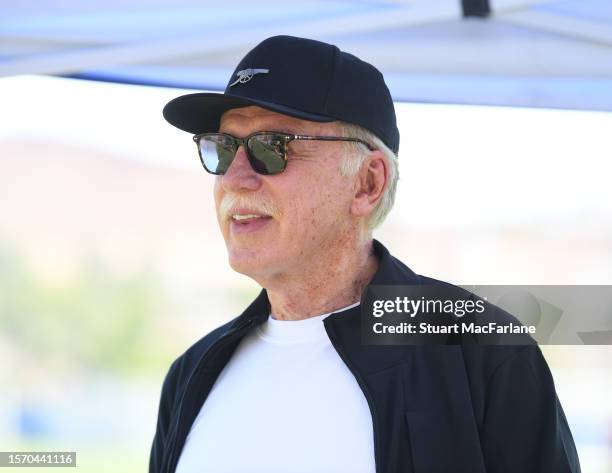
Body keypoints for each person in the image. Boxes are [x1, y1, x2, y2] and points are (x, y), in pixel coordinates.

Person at [149, 35, 580, 473]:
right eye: (222, 149)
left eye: (270, 147)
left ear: (367, 183)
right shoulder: (191, 374)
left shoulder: (480, 351)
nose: (235, 178)